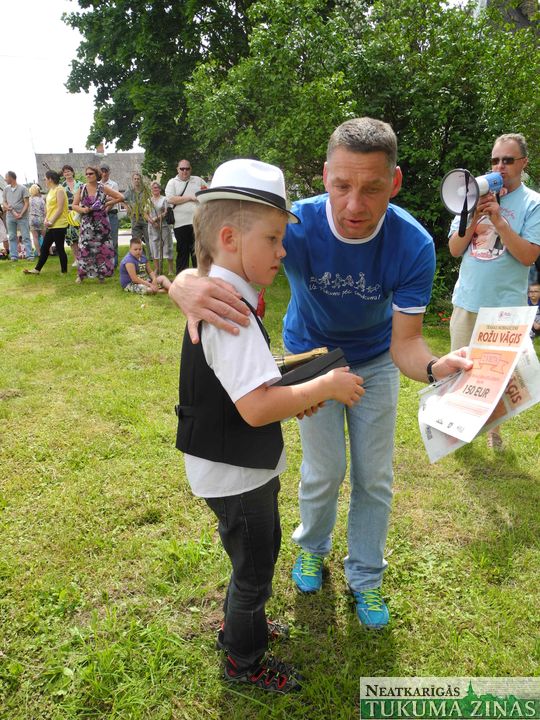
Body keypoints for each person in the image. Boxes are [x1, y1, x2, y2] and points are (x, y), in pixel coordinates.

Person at [169, 118, 473, 630]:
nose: (354, 205)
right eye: (342, 185)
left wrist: (434, 367)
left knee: (375, 475)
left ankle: (366, 576)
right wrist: (184, 283)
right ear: (326, 176)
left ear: (395, 182)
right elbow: (222, 250)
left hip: (376, 361)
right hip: (310, 356)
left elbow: (406, 343)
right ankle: (312, 548)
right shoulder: (296, 224)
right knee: (324, 469)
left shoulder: (413, 245)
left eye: (372, 188)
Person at [176, 158, 364, 692]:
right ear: (230, 238)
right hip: (238, 474)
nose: (283, 251)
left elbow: (251, 386)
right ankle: (245, 660)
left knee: (249, 558)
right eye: (273, 239)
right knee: (255, 571)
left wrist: (292, 388)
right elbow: (256, 408)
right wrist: (324, 387)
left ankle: (241, 625)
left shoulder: (223, 294)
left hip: (230, 465)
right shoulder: (230, 312)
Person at [448, 132, 540, 449]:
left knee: (496, 377)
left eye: (508, 160)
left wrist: (500, 222)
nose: (500, 166)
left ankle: (493, 431)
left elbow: (528, 255)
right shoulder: (472, 195)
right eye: (495, 160)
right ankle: (456, 427)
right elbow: (455, 249)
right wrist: (474, 216)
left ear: (523, 163)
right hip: (468, 300)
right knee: (458, 370)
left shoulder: (533, 203)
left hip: (504, 308)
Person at [72, 166, 123, 284]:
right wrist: (83, 210)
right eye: (87, 174)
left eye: (91, 173)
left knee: (101, 248)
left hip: (101, 223)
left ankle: (101, 275)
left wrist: (106, 204)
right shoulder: (82, 188)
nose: (88, 176)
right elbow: (74, 205)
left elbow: (121, 197)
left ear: (97, 175)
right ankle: (81, 275)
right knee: (85, 248)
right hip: (87, 223)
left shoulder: (102, 187)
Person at [23, 171, 70, 275]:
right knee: (44, 247)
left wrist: (51, 221)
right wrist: (46, 219)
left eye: (45, 178)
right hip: (51, 224)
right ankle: (37, 270)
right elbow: (49, 208)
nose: (44, 180)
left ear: (50, 179)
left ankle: (64, 271)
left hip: (59, 224)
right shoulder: (51, 190)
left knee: (60, 248)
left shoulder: (59, 190)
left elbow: (60, 209)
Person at [165, 159, 206, 274]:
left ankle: (199, 276)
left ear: (190, 169)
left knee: (197, 252)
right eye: (182, 169)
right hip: (180, 224)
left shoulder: (198, 180)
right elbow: (171, 199)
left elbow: (208, 192)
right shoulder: (172, 182)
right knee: (183, 252)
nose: (184, 171)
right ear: (177, 169)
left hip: (198, 222)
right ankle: (182, 279)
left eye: (187, 168)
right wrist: (190, 197)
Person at [2, 170, 33, 261]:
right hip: (10, 216)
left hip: (22, 216)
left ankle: (29, 255)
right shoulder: (6, 189)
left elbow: (26, 203)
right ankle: (14, 256)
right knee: (12, 236)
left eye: (6, 177)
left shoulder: (23, 188)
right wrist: (7, 207)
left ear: (11, 177)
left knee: (25, 236)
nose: (5, 179)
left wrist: (21, 214)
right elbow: (4, 202)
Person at [144, 181, 174, 275]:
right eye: (153, 188)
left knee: (167, 246)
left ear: (160, 189)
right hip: (152, 227)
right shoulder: (149, 201)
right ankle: (157, 269)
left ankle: (170, 269)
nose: (155, 189)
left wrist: (156, 219)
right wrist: (152, 222)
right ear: (151, 190)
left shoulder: (164, 199)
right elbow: (145, 213)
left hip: (163, 226)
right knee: (154, 247)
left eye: (157, 187)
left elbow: (166, 212)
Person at [99, 163, 121, 268]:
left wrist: (106, 210)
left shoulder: (113, 184)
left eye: (106, 171)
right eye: (102, 171)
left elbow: (115, 199)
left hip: (111, 214)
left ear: (109, 172)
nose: (104, 174)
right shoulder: (97, 184)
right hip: (99, 215)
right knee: (102, 239)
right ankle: (104, 262)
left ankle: (114, 262)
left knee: (113, 239)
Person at [124, 172, 151, 254]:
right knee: (136, 239)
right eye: (135, 179)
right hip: (134, 217)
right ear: (132, 180)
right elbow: (122, 199)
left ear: (141, 180)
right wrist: (126, 207)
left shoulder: (145, 190)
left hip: (145, 217)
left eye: (138, 179)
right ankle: (140, 256)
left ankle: (152, 256)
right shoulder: (129, 191)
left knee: (148, 237)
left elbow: (151, 200)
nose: (136, 180)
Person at [61, 165, 82, 268]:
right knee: (72, 238)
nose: (67, 173)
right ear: (63, 174)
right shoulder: (61, 187)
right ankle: (76, 259)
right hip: (68, 215)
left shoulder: (81, 184)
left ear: (72, 172)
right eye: (65, 172)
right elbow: (60, 202)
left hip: (80, 213)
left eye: (69, 171)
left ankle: (84, 258)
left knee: (82, 236)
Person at [28, 184, 45, 258]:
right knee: (45, 236)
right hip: (41, 219)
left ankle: (38, 252)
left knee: (35, 237)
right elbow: (44, 210)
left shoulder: (29, 199)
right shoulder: (42, 199)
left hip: (32, 219)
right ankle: (49, 251)